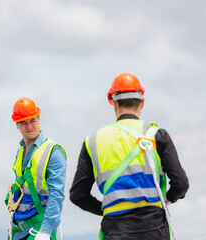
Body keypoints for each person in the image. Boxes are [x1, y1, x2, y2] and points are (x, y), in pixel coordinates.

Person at [70, 73, 189, 240]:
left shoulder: (93, 142)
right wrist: (168, 199)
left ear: (112, 102)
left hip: (114, 231)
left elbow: (78, 195)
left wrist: (106, 209)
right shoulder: (156, 135)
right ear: (142, 102)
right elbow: (181, 183)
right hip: (154, 230)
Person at [5, 97, 67, 240]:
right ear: (17, 125)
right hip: (19, 228)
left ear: (39, 119)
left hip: (39, 227)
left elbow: (56, 195)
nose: (29, 126)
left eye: (33, 120)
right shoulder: (20, 151)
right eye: (24, 122)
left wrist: (45, 232)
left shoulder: (53, 151)